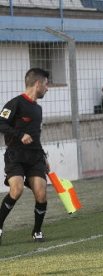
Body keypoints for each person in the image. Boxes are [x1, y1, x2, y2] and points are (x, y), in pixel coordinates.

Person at [0, 68, 50, 245]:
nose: (47, 88)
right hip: (15, 155)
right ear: (37, 84)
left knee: (41, 193)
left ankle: (37, 231)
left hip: (35, 156)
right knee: (17, 189)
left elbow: (35, 135)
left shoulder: (38, 109)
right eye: (45, 84)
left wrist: (44, 157)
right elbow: (1, 123)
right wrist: (19, 135)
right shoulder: (15, 103)